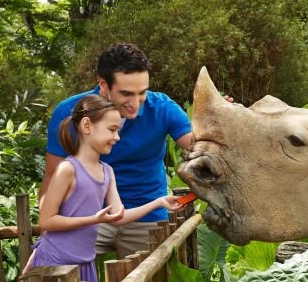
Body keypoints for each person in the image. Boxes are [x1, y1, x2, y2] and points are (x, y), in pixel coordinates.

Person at [40, 43, 193, 259]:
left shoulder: (162, 108)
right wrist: (48, 226)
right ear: (103, 84)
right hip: (88, 217)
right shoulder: (69, 112)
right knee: (64, 280)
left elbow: (198, 148)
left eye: (142, 92)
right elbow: (51, 175)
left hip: (146, 215)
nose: (135, 103)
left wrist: (219, 122)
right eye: (126, 94)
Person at [26, 95, 183, 282]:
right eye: (112, 130)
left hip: (85, 264)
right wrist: (94, 220)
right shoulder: (67, 169)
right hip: (56, 263)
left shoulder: (107, 171)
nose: (117, 137)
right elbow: (47, 221)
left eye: (118, 130)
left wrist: (159, 202)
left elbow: (119, 216)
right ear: (87, 126)